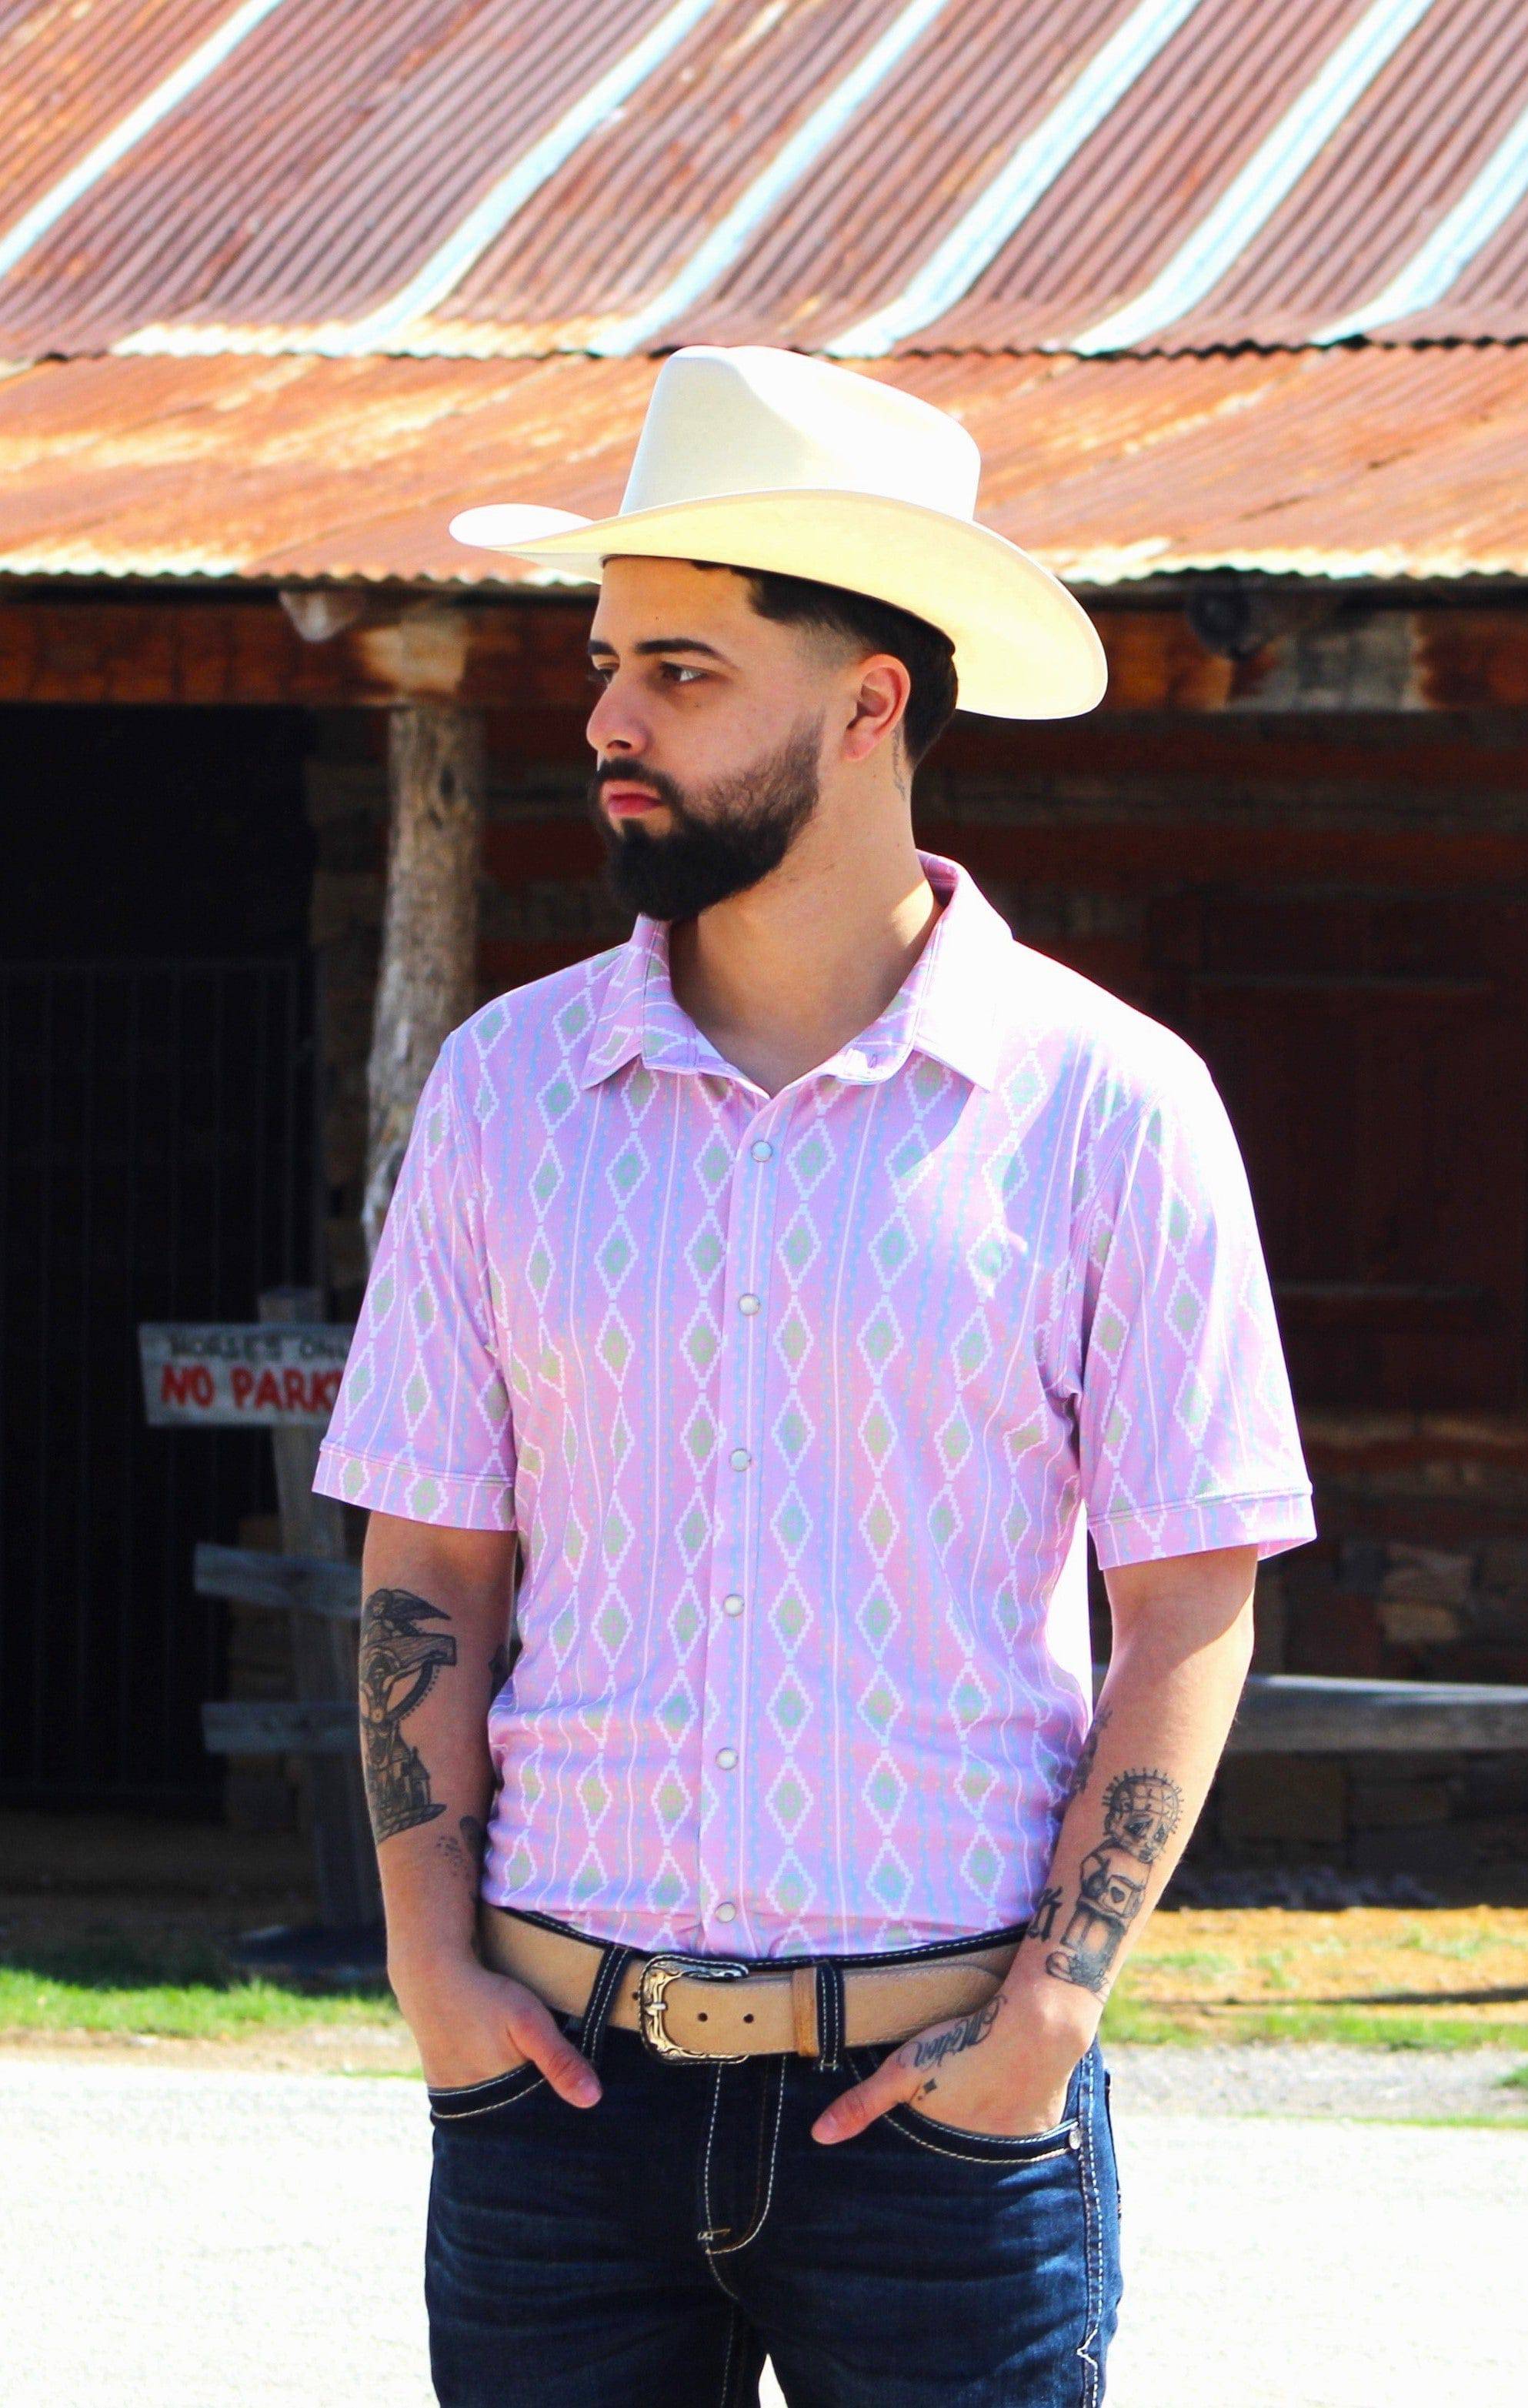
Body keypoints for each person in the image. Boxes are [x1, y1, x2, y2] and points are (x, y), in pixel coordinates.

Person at [315, 346, 1315, 2407]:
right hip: (555, 2105)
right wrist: (425, 1959)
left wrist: (1045, 2018)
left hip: (948, 2122)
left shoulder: (1110, 1108)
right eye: (605, 659)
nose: (603, 714)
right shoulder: (508, 1095)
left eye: (680, 668)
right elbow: (427, 1551)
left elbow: (1189, 1602)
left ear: (871, 703)